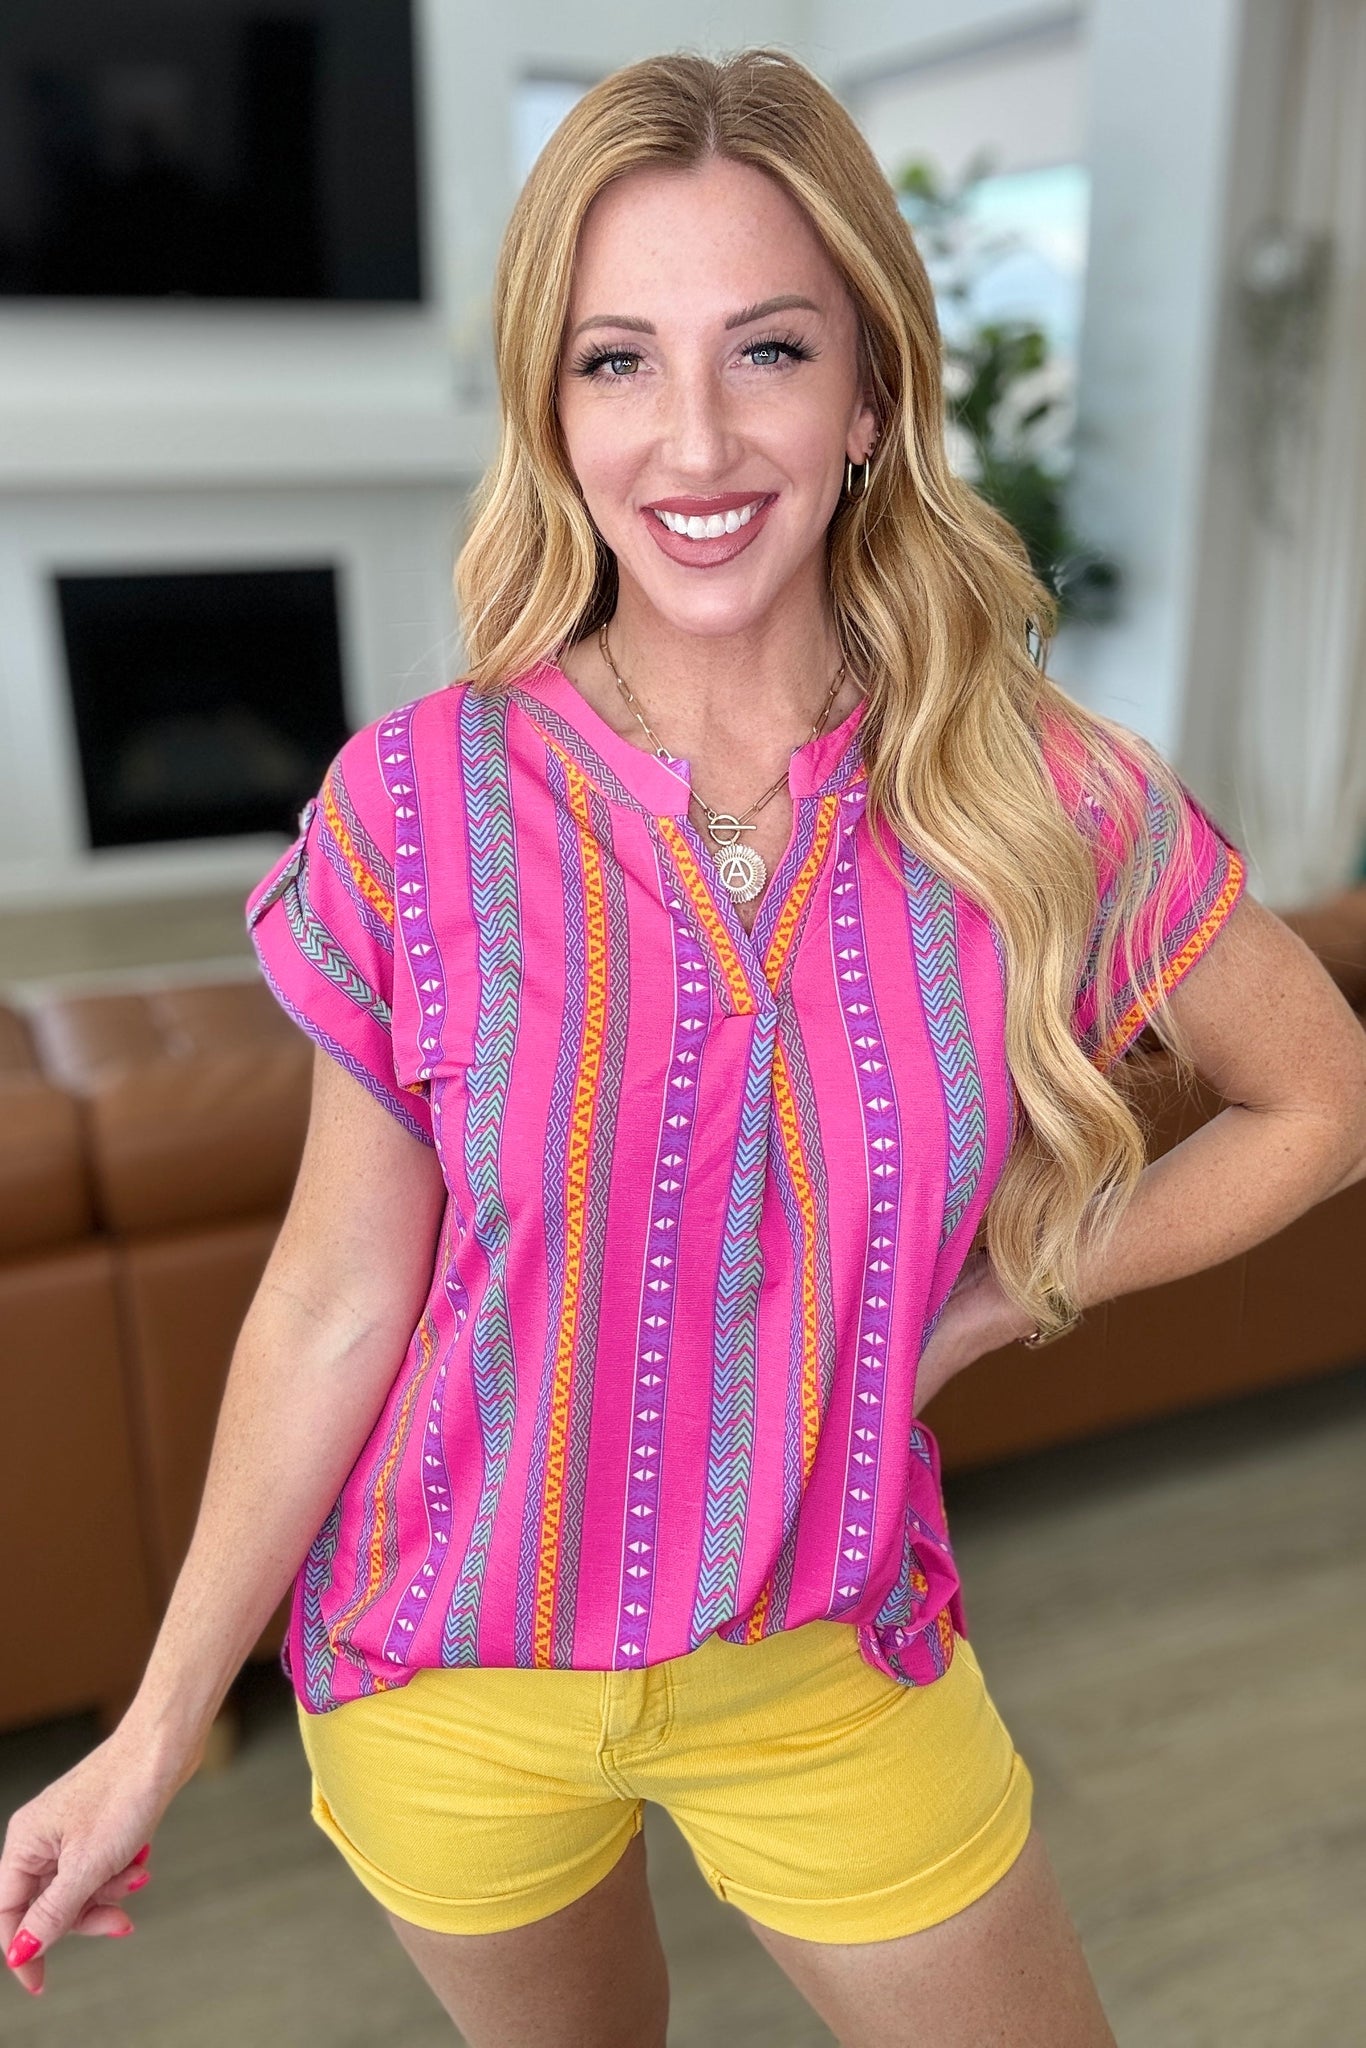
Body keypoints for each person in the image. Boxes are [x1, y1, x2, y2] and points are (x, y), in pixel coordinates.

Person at [4, 45, 1364, 2048]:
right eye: (617, 360)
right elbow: (333, 1295)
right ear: (551, 409)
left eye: (769, 350)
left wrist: (1001, 1294)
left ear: (868, 394)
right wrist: (151, 1726)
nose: (694, 436)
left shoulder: (1033, 792)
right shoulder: (417, 805)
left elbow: (1317, 1099)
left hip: (824, 1651)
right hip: (442, 1670)